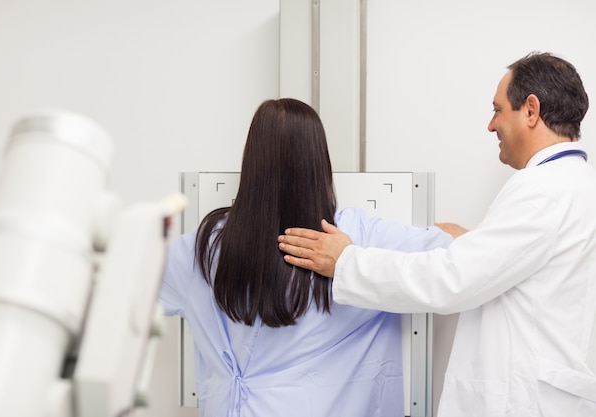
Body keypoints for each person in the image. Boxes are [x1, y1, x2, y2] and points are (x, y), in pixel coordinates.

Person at [277, 52, 596, 417]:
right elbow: (527, 269)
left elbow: (452, 280)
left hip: (527, 402)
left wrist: (346, 262)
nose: (491, 125)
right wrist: (478, 241)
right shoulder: (576, 184)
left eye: (497, 110)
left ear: (531, 110)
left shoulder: (544, 189)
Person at [158, 98, 452, 417]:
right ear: (318, 163)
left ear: (251, 162)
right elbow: (461, 248)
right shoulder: (355, 237)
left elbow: (124, 286)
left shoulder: (205, 247)